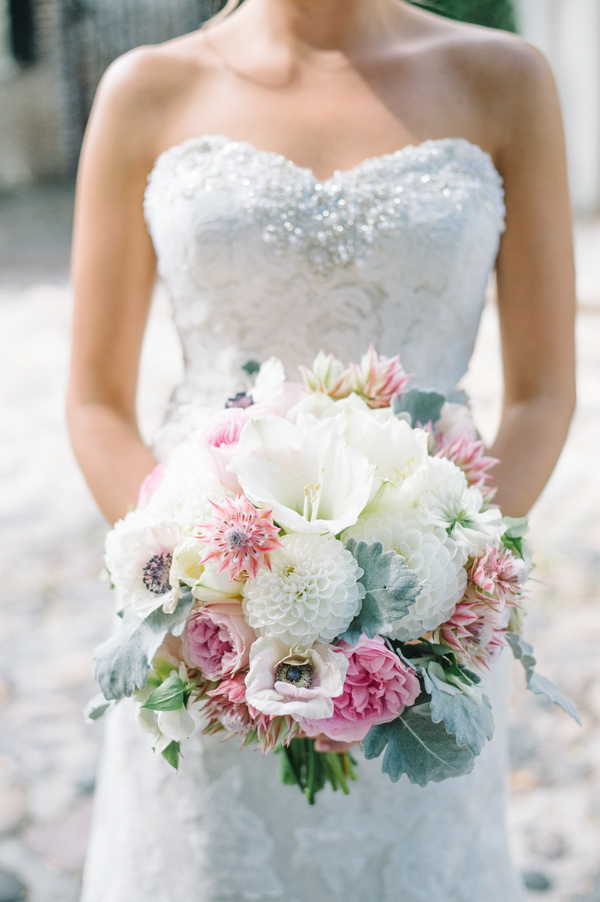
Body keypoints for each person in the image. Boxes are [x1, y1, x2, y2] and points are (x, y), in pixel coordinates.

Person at [67, 0, 575, 898]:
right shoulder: (147, 89)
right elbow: (95, 401)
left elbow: (541, 394)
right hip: (205, 621)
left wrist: (449, 588)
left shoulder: (505, 79)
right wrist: (195, 589)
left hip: (428, 613)